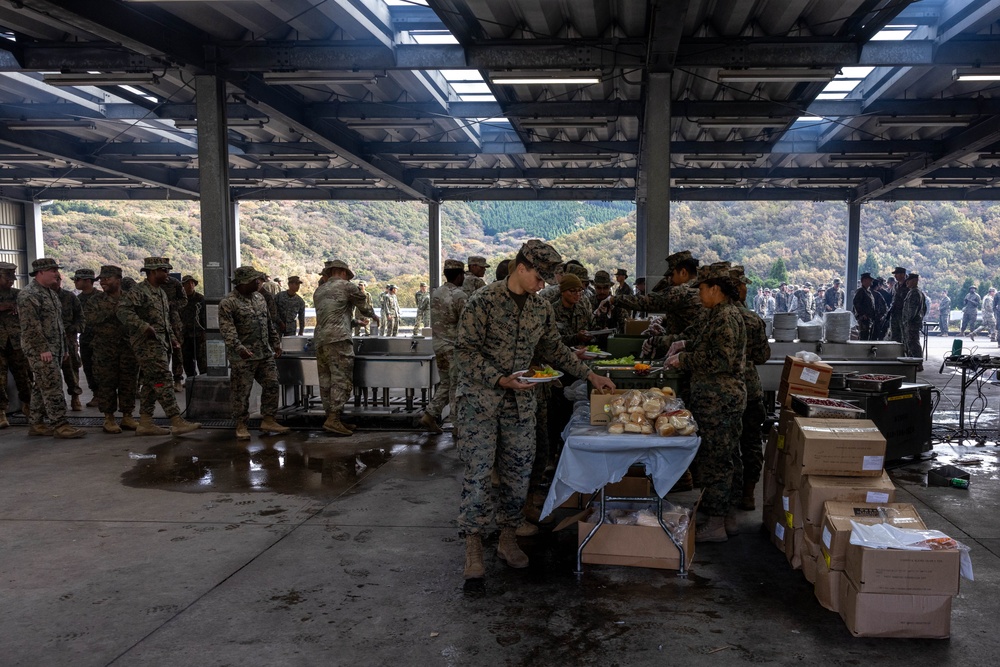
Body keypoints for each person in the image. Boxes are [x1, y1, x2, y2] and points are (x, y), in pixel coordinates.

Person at [454, 240, 615, 580]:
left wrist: (590, 374)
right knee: (479, 476)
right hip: (480, 403)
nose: (543, 286)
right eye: (539, 279)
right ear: (522, 267)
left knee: (517, 475)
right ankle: (473, 546)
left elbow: (554, 349)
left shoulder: (540, 309)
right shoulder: (482, 302)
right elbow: (465, 354)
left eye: (547, 281)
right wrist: (500, 379)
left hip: (520, 405)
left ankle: (508, 539)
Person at [665, 262, 746, 542]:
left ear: (715, 289)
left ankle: (715, 523)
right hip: (716, 397)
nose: (698, 293)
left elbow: (721, 359)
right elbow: (709, 344)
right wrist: (685, 344)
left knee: (715, 461)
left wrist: (683, 360)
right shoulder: (718, 314)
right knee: (725, 457)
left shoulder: (725, 317)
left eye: (701, 288)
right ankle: (726, 516)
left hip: (719, 399)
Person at [117, 257, 201, 437]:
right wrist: (143, 326)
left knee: (150, 382)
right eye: (164, 270)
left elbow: (164, 319)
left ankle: (146, 422)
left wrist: (172, 339)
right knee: (163, 379)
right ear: (153, 271)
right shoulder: (139, 291)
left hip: (161, 343)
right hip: (146, 344)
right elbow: (122, 311)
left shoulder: (161, 292)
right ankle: (176, 420)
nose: (168, 274)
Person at [218, 266, 291, 440]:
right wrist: (239, 348)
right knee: (241, 392)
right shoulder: (228, 303)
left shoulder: (260, 298)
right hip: (243, 356)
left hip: (264, 353)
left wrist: (275, 343)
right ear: (244, 282)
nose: (259, 282)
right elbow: (227, 330)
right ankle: (241, 425)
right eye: (255, 280)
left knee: (272, 383)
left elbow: (268, 323)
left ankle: (268, 419)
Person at [18, 258, 84, 439]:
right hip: (41, 351)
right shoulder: (29, 295)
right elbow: (31, 327)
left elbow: (58, 325)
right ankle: (60, 425)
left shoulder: (50, 293)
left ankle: (37, 423)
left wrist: (63, 349)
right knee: (52, 385)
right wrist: (43, 349)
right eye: (52, 270)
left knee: (41, 386)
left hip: (55, 349)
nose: (56, 274)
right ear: (40, 272)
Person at [313, 259, 379, 436]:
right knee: (341, 380)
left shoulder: (320, 290)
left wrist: (355, 322)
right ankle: (334, 419)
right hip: (339, 339)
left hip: (320, 340)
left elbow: (332, 315)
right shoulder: (347, 287)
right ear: (342, 272)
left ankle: (331, 418)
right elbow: (364, 306)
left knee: (326, 380)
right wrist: (374, 316)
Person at [729, 266, 769, 512]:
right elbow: (763, 355)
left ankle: (729, 497)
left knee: (728, 445)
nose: (746, 288)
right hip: (751, 388)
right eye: (743, 284)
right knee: (752, 442)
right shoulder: (752, 318)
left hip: (727, 391)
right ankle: (748, 494)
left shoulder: (715, 316)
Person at [85, 265, 139, 434]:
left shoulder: (130, 298)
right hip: (104, 348)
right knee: (106, 383)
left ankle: (127, 416)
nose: (103, 282)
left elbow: (138, 318)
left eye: (107, 279)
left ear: (118, 280)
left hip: (127, 348)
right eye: (101, 279)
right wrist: (113, 311)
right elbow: (90, 319)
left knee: (128, 382)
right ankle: (109, 418)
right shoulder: (96, 300)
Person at [418, 260, 466, 434]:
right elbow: (467, 323)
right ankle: (457, 425)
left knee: (446, 383)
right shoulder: (459, 295)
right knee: (456, 385)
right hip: (453, 347)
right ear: (460, 275)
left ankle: (430, 415)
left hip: (438, 345)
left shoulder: (436, 293)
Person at [0, 262, 31, 427]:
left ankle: (28, 406)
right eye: (7, 278)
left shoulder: (20, 295)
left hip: (17, 343)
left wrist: (20, 309)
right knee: (0, 380)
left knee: (23, 377)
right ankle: (1, 412)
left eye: (13, 278)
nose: (11, 281)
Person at [73, 268, 100, 407]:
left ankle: (104, 394)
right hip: (85, 340)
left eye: (78, 279)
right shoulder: (77, 299)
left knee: (102, 368)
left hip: (101, 340)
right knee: (88, 368)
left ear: (88, 281)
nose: (75, 282)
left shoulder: (101, 297)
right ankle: (96, 393)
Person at [57, 279, 84, 411]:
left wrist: (75, 328)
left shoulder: (69, 297)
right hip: (51, 341)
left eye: (58, 279)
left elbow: (80, 317)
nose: (56, 282)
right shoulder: (42, 297)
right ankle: (57, 402)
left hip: (69, 339)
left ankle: (75, 397)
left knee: (71, 371)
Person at [552, 274, 593, 346]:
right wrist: (576, 337)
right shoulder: (552, 311)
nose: (577, 294)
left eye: (580, 290)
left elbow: (593, 326)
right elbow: (552, 340)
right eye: (573, 291)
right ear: (562, 291)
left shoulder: (582, 310)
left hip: (583, 353)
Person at [180, 275, 207, 376]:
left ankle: (203, 381)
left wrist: (205, 331)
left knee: (202, 360)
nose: (190, 285)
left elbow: (205, 317)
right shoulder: (181, 299)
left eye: (192, 283)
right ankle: (191, 380)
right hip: (185, 335)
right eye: (187, 283)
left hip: (199, 335)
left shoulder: (200, 299)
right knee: (187, 360)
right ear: (183, 285)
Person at [902, 273, 927, 361]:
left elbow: (912, 311)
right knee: (911, 342)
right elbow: (924, 309)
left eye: (908, 281)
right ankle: (914, 361)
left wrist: (906, 321)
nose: (906, 283)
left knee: (913, 343)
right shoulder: (917, 292)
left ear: (914, 281)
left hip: (912, 323)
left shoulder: (915, 293)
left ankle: (918, 362)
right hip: (914, 322)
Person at [852, 272, 878, 341]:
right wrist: (862, 314)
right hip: (863, 319)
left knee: (867, 336)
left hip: (869, 318)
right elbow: (856, 302)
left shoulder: (868, 291)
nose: (871, 281)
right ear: (865, 280)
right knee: (863, 337)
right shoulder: (861, 291)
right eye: (870, 279)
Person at [888, 267, 909, 343]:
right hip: (895, 314)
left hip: (904, 315)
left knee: (905, 337)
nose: (895, 276)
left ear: (903, 274)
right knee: (894, 337)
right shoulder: (895, 286)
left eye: (897, 274)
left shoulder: (908, 285)